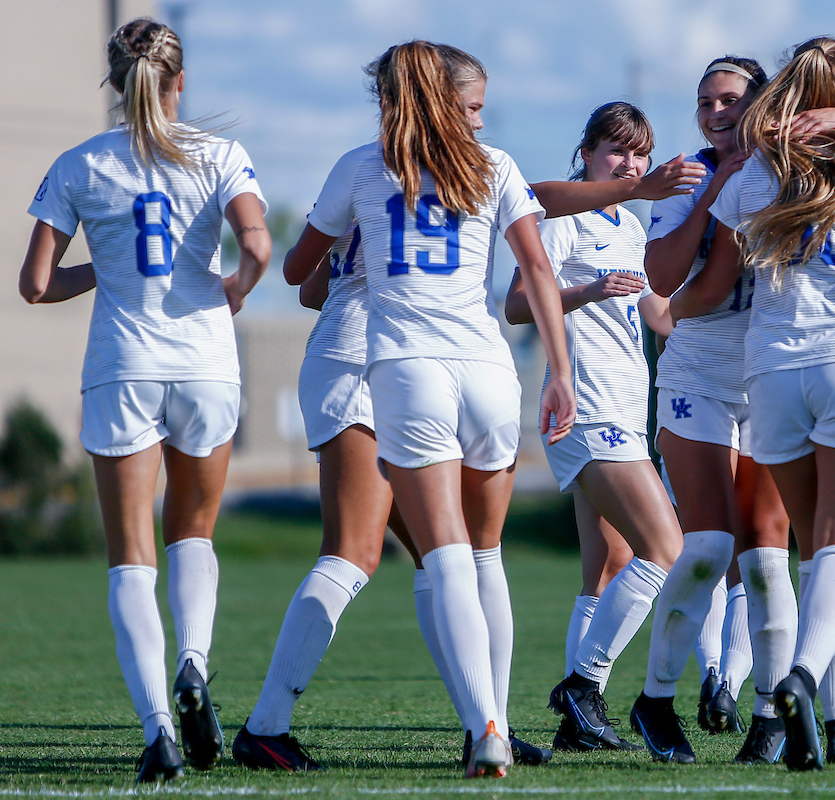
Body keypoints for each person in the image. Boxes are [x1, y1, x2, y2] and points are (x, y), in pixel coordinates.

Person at [232, 44, 551, 774]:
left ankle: (485, 719)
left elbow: (305, 277)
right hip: (363, 358)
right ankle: (267, 722)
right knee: (362, 550)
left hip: (397, 360)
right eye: (469, 107)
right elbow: (312, 280)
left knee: (453, 555)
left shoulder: (383, 166)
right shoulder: (377, 167)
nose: (477, 122)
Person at [19, 18, 271, 783]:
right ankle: (194, 663)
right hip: (204, 365)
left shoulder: (79, 163)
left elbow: (34, 285)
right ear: (179, 80)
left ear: (112, 79)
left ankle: (159, 727)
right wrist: (234, 289)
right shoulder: (220, 154)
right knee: (192, 533)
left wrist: (104, 270)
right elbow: (258, 248)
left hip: (122, 367)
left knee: (130, 554)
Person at [672, 36, 835, 771]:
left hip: (773, 373)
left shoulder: (752, 181)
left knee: (815, 551)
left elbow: (715, 278)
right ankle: (803, 679)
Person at [504, 102, 683, 756]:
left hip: (627, 410)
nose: (630, 165)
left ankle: (577, 723)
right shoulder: (563, 217)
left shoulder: (629, 224)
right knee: (666, 548)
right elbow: (518, 304)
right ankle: (583, 686)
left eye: (640, 154)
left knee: (605, 567)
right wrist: (589, 289)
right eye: (617, 151)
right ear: (585, 153)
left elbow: (657, 313)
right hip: (587, 405)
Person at [644, 55, 794, 764]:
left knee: (766, 557)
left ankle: (770, 715)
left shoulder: (793, 172)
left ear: (762, 104)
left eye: (729, 98)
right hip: (698, 373)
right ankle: (654, 700)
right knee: (707, 547)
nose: (715, 112)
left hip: (772, 372)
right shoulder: (687, 177)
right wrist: (718, 195)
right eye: (704, 101)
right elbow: (671, 284)